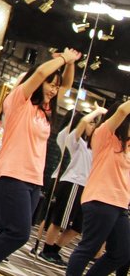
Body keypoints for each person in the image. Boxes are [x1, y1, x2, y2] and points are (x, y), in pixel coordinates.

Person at [0, 48, 80, 276]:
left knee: (5, 228)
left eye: (56, 86)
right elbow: (38, 74)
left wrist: (71, 64)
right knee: (19, 232)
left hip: (33, 180)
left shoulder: (43, 112)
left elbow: (65, 87)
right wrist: (62, 58)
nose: (54, 90)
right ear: (37, 82)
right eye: (50, 84)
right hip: (12, 174)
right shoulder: (19, 102)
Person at [64, 98, 130, 276]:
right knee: (88, 248)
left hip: (120, 204)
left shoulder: (127, 145)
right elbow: (122, 111)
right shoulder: (104, 136)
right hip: (100, 199)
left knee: (122, 252)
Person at [39, 106, 108, 266]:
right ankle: (46, 250)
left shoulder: (97, 147)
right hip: (73, 184)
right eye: (92, 124)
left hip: (86, 188)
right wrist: (97, 112)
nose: (92, 127)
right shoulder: (77, 143)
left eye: (94, 124)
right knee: (59, 221)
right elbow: (83, 121)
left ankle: (55, 250)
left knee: (78, 226)